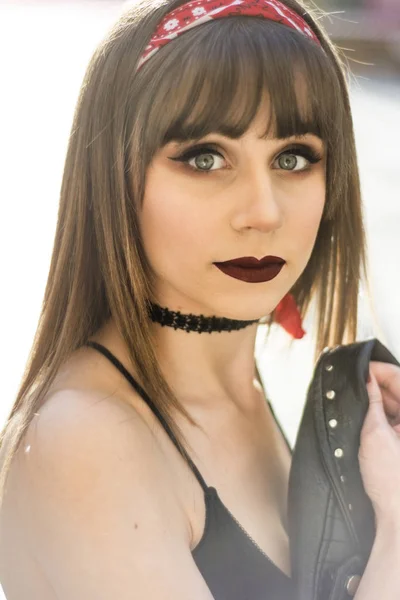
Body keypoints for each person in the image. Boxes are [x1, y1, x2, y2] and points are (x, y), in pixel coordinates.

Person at [0, 0, 399, 598]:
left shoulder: (252, 399)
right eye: (205, 158)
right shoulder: (83, 444)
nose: (263, 212)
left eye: (293, 158)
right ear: (114, 178)